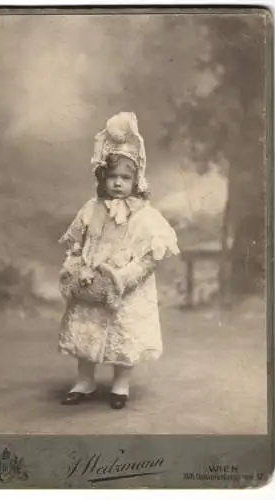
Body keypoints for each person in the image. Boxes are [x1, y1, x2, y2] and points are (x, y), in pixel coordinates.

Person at [58, 112, 180, 410]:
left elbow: (152, 255)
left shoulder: (145, 216)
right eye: (112, 177)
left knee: (123, 335)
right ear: (102, 178)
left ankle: (120, 385)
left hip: (126, 285)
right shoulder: (91, 209)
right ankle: (84, 381)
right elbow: (76, 243)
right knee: (86, 329)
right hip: (91, 281)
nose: (117, 183)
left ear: (136, 180)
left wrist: (125, 277)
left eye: (125, 178)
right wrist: (74, 266)